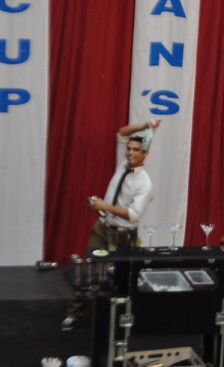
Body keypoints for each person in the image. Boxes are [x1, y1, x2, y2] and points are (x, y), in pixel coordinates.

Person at [61, 118, 161, 330]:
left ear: (145, 154)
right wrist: (145, 126)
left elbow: (133, 214)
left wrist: (105, 205)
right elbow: (122, 132)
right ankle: (74, 314)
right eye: (129, 149)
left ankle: (124, 317)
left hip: (124, 234)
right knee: (88, 269)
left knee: (123, 276)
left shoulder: (145, 183)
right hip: (103, 227)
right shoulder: (123, 165)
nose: (130, 153)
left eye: (136, 150)